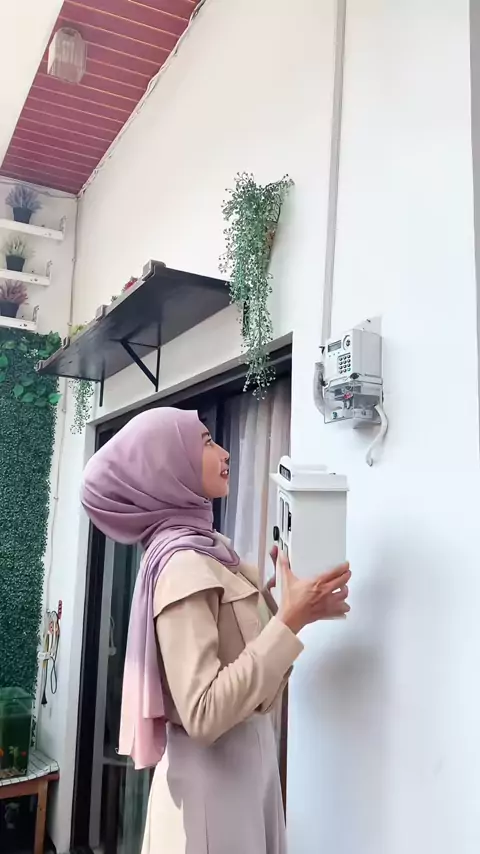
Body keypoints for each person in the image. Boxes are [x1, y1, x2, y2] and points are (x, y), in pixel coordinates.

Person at [81, 407, 350, 854]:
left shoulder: (211, 552)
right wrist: (289, 621)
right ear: (167, 465)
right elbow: (203, 712)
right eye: (206, 442)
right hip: (211, 803)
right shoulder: (183, 565)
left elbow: (254, 678)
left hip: (243, 783)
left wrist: (292, 608)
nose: (224, 452)